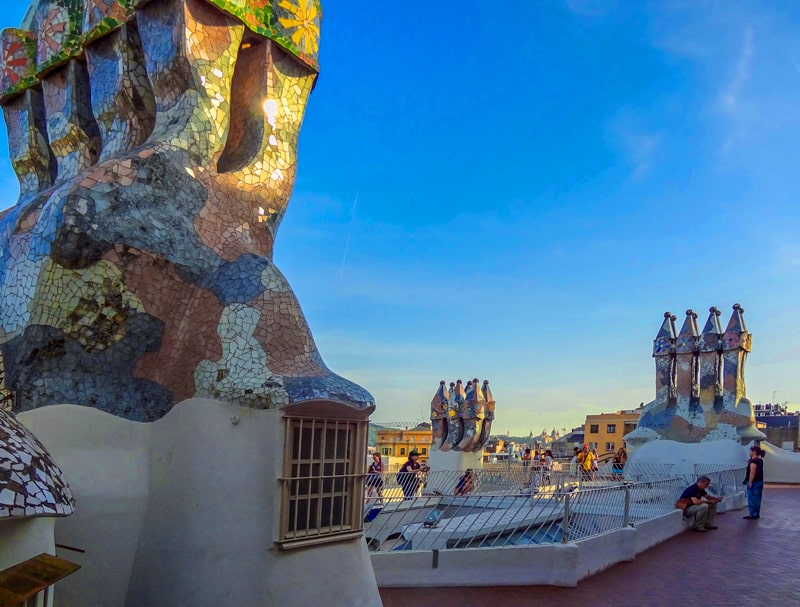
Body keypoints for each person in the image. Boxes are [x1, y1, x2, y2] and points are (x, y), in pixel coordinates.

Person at [743, 446, 765, 519]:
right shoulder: (760, 460)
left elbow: (752, 472)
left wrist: (750, 482)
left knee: (752, 498)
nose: (749, 452)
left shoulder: (753, 462)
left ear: (754, 451)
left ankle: (753, 514)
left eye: (750, 451)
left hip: (754, 482)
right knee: (758, 498)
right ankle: (756, 513)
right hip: (759, 481)